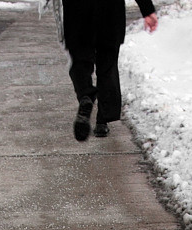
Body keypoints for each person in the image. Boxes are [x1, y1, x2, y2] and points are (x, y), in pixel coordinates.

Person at [62, 0, 157, 140]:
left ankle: (85, 95)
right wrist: (147, 10)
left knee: (80, 63)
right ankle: (102, 121)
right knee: (107, 67)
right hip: (110, 13)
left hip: (77, 13)